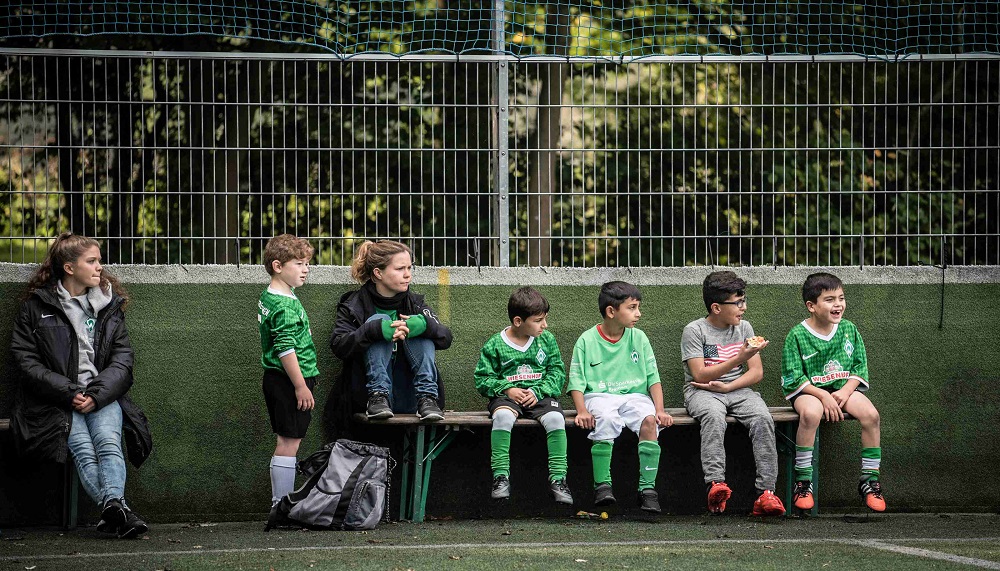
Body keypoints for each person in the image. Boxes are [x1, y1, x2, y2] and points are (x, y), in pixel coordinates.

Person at [10, 232, 151, 538]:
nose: (100, 266)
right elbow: (26, 362)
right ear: (70, 268)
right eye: (92, 261)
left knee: (109, 444)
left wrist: (96, 396)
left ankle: (113, 508)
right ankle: (119, 511)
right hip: (59, 401)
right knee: (84, 451)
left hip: (101, 397)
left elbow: (123, 360)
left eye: (99, 260)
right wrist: (70, 392)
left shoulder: (109, 306)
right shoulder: (36, 308)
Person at [681, 271, 786, 516]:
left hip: (738, 390)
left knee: (762, 418)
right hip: (702, 392)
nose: (744, 307)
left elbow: (756, 372)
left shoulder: (745, 328)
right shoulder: (694, 330)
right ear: (716, 307)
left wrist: (729, 386)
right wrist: (738, 358)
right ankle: (716, 485)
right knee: (714, 416)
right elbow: (700, 375)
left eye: (744, 300)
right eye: (737, 303)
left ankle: (766, 493)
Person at [781, 272, 885, 512]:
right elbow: (793, 377)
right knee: (811, 414)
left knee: (871, 415)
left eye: (841, 297)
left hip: (843, 390)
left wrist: (847, 390)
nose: (838, 304)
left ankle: (870, 480)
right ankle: (803, 482)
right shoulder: (796, 335)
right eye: (829, 299)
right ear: (812, 306)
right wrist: (823, 395)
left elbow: (860, 365)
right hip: (809, 392)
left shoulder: (849, 329)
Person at [567, 281, 673, 513]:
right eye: (632, 307)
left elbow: (653, 377)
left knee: (648, 420)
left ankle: (647, 490)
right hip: (599, 395)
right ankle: (602, 485)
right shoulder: (586, 340)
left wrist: (660, 410)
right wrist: (582, 410)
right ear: (611, 311)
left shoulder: (640, 338)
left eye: (638, 307)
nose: (638, 313)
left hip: (634, 396)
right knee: (604, 417)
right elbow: (576, 380)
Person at [330, 240, 450, 422]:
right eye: (400, 269)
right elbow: (339, 345)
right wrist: (372, 330)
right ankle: (378, 394)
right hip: (368, 399)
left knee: (421, 329)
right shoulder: (354, 304)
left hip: (411, 399)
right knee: (378, 321)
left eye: (410, 268)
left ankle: (428, 397)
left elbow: (446, 337)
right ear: (378, 273)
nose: (407, 275)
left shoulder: (415, 303)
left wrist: (426, 325)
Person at [474, 287, 572, 505]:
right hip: (507, 398)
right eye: (539, 320)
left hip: (541, 395)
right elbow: (482, 378)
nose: (544, 325)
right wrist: (507, 389)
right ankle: (501, 477)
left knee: (556, 419)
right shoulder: (495, 344)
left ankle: (558, 478)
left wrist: (538, 391)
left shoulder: (546, 340)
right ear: (518, 321)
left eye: (545, 319)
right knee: (503, 417)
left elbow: (557, 372)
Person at [258, 234, 319, 509]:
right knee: (289, 443)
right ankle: (281, 505)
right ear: (278, 266)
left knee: (287, 440)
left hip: (279, 379)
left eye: (307, 263)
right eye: (299, 263)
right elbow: (285, 349)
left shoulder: (274, 294)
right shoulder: (283, 305)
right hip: (289, 380)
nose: (305, 269)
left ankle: (281, 504)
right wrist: (300, 386)